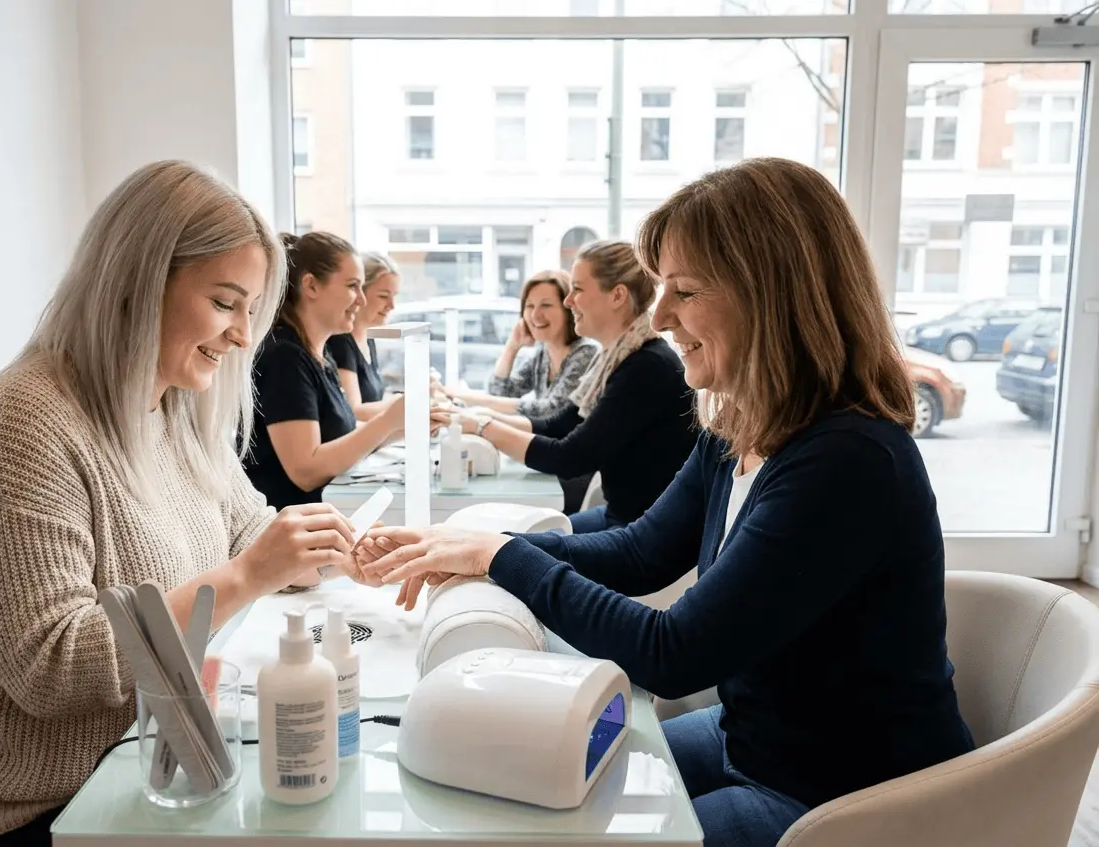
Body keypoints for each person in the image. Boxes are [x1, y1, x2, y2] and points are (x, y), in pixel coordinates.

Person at [353, 158, 977, 847]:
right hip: (759, 739)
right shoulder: (741, 423)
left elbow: (673, 653)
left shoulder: (849, 461)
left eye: (685, 290)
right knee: (536, 797)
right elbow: (641, 551)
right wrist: (479, 551)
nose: (660, 316)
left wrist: (502, 558)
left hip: (843, 794)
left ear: (770, 295)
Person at [0, 161, 360, 847]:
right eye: (225, 303)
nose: (244, 336)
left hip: (158, 760)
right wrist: (248, 576)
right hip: (37, 809)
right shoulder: (19, 427)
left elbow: (249, 531)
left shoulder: (172, 407)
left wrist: (334, 550)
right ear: (135, 283)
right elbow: (53, 669)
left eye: (251, 310)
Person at [433, 241, 697, 532]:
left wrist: (482, 425)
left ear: (617, 296)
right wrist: (473, 419)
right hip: (619, 517)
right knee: (502, 537)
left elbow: (569, 457)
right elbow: (558, 424)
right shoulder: (615, 359)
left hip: (640, 532)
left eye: (577, 289)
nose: (569, 301)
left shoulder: (646, 366)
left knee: (498, 543)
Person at [243, 232, 406, 512]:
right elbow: (306, 471)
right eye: (353, 286)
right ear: (311, 285)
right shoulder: (284, 358)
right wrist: (386, 421)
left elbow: (340, 445)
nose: (361, 300)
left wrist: (403, 426)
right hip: (287, 524)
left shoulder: (320, 354)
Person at [444, 269, 598, 424]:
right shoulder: (543, 354)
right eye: (529, 305)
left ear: (569, 310)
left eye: (546, 305)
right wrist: (512, 347)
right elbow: (500, 394)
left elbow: (552, 410)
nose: (535, 315)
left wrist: (467, 398)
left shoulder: (587, 353)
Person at [326, 251, 400, 420]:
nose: (391, 305)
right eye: (383, 296)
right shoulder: (341, 341)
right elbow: (354, 411)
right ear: (359, 294)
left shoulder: (368, 339)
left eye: (394, 296)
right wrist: (405, 402)